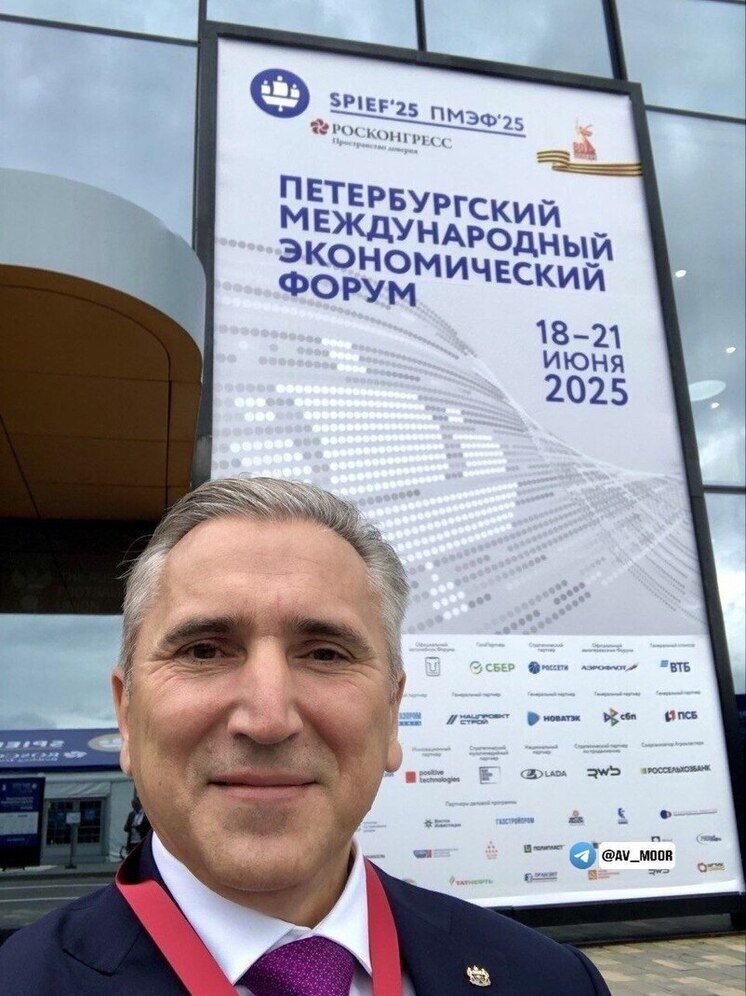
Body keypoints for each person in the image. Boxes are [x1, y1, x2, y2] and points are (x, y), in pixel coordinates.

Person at [0, 477, 610, 994]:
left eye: (324, 654)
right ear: (127, 716)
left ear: (392, 713)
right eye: (205, 650)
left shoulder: (551, 980)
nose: (268, 720)